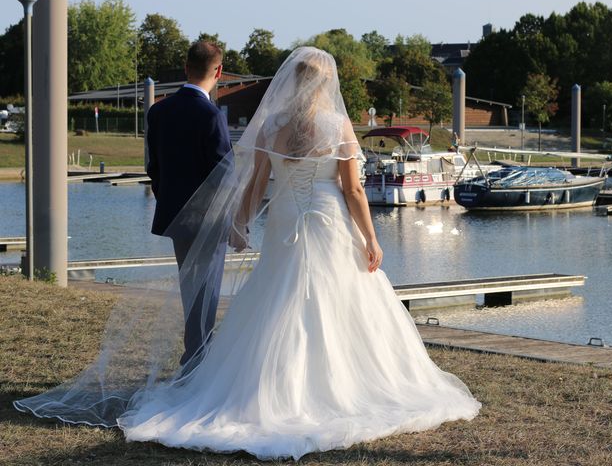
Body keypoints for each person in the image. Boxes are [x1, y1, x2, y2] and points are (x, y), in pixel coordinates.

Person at [116, 47, 481, 460]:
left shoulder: (272, 125)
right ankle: (337, 385)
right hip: (328, 219)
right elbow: (354, 190)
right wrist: (371, 238)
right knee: (338, 299)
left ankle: (266, 386)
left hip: (285, 219)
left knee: (278, 295)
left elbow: (256, 184)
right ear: (327, 83)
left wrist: (242, 222)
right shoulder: (337, 123)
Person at [146, 40, 232, 365]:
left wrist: (166, 198)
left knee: (190, 290)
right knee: (207, 293)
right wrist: (234, 219)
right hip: (209, 219)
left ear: (186, 67)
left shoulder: (159, 111)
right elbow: (225, 174)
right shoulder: (211, 115)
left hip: (176, 216)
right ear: (219, 72)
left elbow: (154, 166)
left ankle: (195, 355)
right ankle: (196, 360)